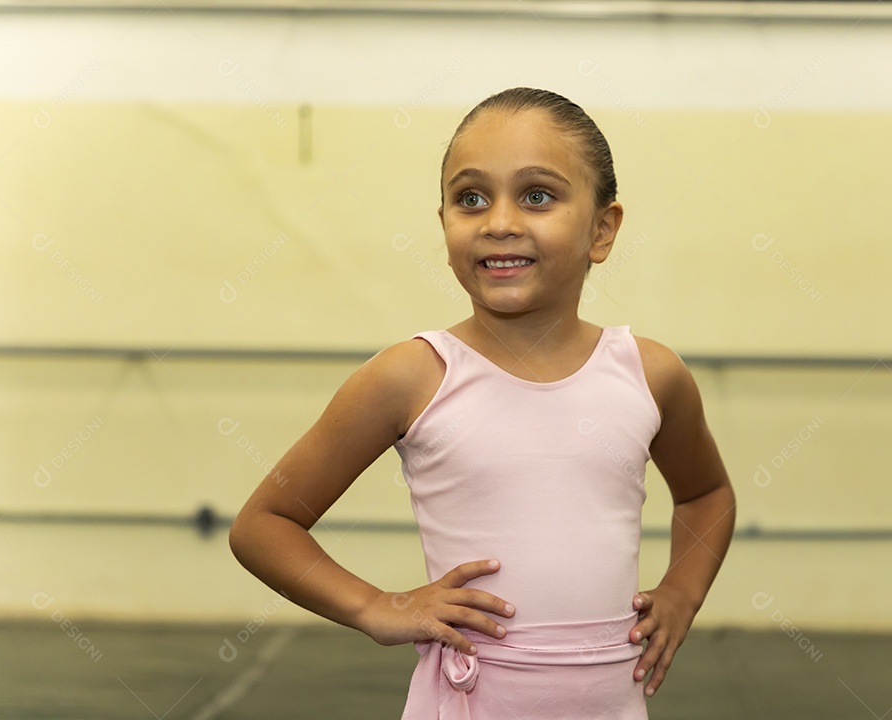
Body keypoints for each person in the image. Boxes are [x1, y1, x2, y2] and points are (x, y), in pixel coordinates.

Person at [229, 87, 736, 719]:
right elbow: (265, 524)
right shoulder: (412, 377)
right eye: (470, 198)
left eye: (537, 195)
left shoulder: (650, 374)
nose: (499, 221)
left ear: (601, 230)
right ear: (444, 223)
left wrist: (683, 592)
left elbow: (706, 494)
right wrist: (377, 606)